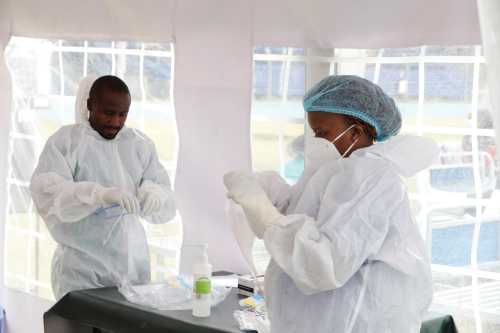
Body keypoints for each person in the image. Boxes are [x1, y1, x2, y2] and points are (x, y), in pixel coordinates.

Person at [224, 75, 438, 332]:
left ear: (356, 131)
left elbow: (326, 263)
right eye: (315, 132)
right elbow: (304, 217)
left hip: (357, 321)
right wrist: (269, 192)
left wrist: (263, 212)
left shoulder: (373, 176)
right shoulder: (335, 168)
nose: (317, 140)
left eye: (323, 132)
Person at [30, 75, 176, 300]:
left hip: (132, 272)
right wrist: (98, 195)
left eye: (122, 115)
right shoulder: (67, 143)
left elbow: (163, 192)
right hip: (80, 275)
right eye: (108, 113)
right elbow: (48, 194)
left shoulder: (139, 145)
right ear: (90, 105)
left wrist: (155, 194)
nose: (116, 122)